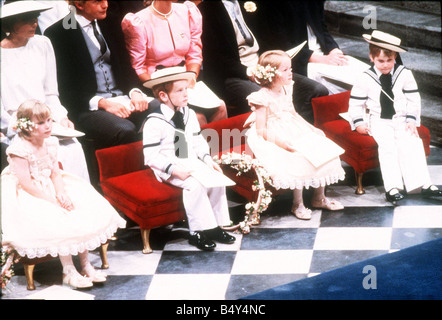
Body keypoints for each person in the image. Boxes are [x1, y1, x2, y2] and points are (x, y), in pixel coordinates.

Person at [1, 100, 126, 289]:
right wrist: (52, 200)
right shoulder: (19, 149)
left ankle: (85, 265)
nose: (48, 126)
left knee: (79, 206)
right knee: (58, 216)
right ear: (26, 126)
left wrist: (61, 193)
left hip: (50, 184)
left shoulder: (50, 142)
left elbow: (55, 172)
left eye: (50, 120)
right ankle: (68, 270)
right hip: (30, 193)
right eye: (41, 123)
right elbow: (26, 184)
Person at [142, 66, 235, 251]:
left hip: (190, 160)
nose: (186, 94)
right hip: (168, 165)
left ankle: (216, 226)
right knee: (195, 184)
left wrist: (207, 159)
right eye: (179, 90)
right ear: (163, 96)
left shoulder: (189, 114)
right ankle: (197, 232)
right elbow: (150, 156)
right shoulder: (154, 121)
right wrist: (174, 170)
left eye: (186, 89)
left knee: (216, 179)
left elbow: (197, 140)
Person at [245, 50, 345, 220]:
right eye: (285, 70)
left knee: (321, 146)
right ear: (271, 74)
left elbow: (293, 112)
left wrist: (311, 128)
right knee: (299, 157)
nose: (290, 72)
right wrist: (282, 143)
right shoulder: (260, 97)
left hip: (292, 125)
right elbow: (261, 130)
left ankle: (318, 197)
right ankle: (297, 203)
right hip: (272, 133)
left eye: (290, 68)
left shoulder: (286, 88)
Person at [198, 0, 329, 124]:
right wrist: (247, 71)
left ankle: (297, 131)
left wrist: (276, 58)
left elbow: (267, 38)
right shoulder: (206, 9)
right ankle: (277, 139)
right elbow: (217, 60)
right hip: (232, 75)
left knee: (316, 89)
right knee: (268, 99)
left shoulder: (248, 3)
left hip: (263, 66)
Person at [44, 0, 152, 150]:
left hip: (123, 97)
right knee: (124, 129)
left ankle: (170, 166)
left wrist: (135, 92)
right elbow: (65, 90)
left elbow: (126, 66)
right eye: (97, 1)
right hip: (87, 108)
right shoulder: (58, 33)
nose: (105, 4)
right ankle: (128, 173)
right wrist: (102, 103)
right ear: (80, 5)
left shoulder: (111, 22)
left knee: (165, 110)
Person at [0, 0, 89, 181]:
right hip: (19, 124)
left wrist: (61, 117)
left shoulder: (43, 44)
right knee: (46, 151)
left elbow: (51, 93)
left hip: (46, 119)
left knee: (73, 148)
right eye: (27, 20)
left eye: (36, 19)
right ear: (11, 24)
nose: (34, 24)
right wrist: (20, 126)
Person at [348, 30, 441, 203]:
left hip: (401, 119)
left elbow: (414, 99)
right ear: (371, 58)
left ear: (395, 58)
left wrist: (411, 120)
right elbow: (355, 103)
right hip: (378, 120)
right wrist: (359, 123)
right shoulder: (365, 77)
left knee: (412, 141)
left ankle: (422, 184)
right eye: (380, 61)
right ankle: (393, 187)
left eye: (389, 60)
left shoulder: (404, 74)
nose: (385, 65)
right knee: (388, 147)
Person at [121, 0, 227, 126]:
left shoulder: (187, 11)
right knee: (197, 118)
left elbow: (194, 52)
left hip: (186, 79)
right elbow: (138, 67)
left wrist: (192, 76)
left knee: (221, 107)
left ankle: (217, 146)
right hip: (158, 85)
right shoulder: (138, 21)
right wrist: (159, 86)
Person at [241, 0, 368, 95]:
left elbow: (322, 27)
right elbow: (280, 44)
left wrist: (334, 49)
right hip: (301, 60)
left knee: (369, 74)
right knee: (354, 83)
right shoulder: (272, 4)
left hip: (325, 54)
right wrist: (320, 59)